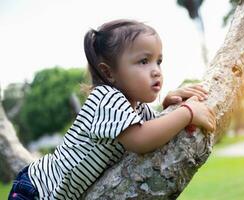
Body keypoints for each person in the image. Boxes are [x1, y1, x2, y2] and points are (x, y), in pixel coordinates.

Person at [8, 19, 216, 200]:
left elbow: (156, 131)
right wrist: (186, 112)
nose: (156, 71)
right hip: (36, 191)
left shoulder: (138, 108)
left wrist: (170, 105)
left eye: (158, 61)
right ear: (109, 73)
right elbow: (141, 140)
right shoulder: (106, 98)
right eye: (144, 61)